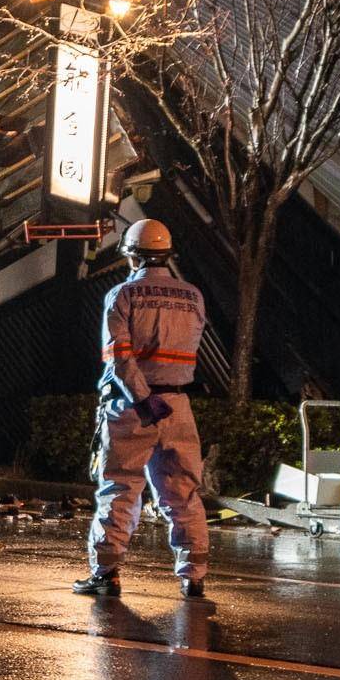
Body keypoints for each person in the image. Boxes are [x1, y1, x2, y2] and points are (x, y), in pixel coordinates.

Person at [77, 215, 212, 603]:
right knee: (183, 493)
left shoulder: (122, 295)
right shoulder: (193, 296)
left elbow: (119, 358)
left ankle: (105, 573)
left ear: (132, 256)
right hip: (179, 405)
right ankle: (194, 577)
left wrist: (141, 397)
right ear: (167, 254)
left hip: (134, 406)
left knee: (120, 489)